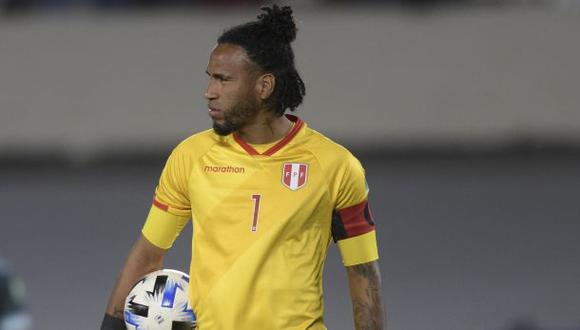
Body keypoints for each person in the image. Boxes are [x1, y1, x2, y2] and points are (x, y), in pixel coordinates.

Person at [101, 5, 384, 330]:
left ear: (263, 87)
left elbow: (363, 273)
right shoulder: (191, 157)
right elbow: (147, 255)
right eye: (210, 79)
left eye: (223, 80)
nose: (209, 92)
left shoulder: (335, 167)